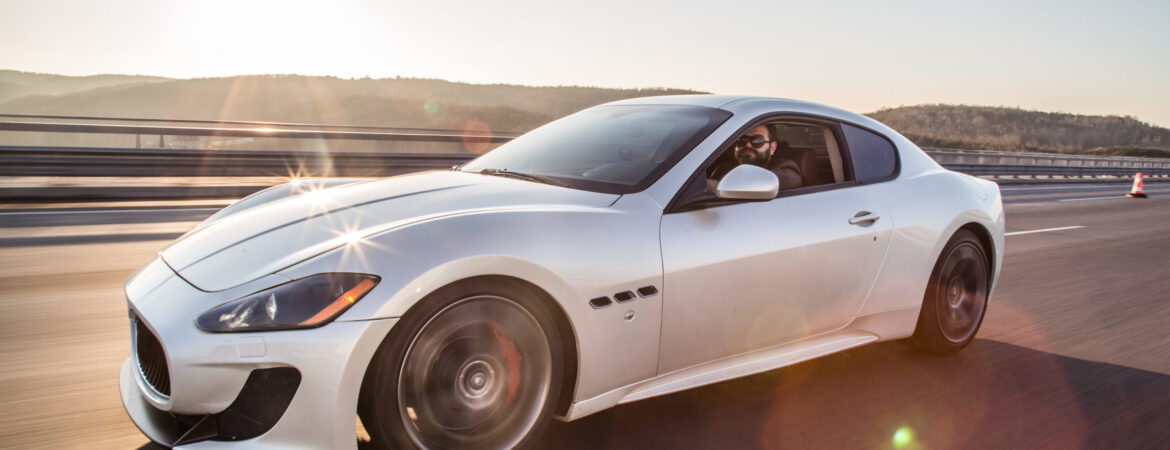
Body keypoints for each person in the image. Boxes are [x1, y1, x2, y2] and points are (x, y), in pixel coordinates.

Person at [707, 124, 802, 192]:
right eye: (742, 140)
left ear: (772, 148)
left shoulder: (786, 167)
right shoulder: (722, 169)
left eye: (757, 141)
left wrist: (716, 186)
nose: (747, 145)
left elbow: (786, 180)